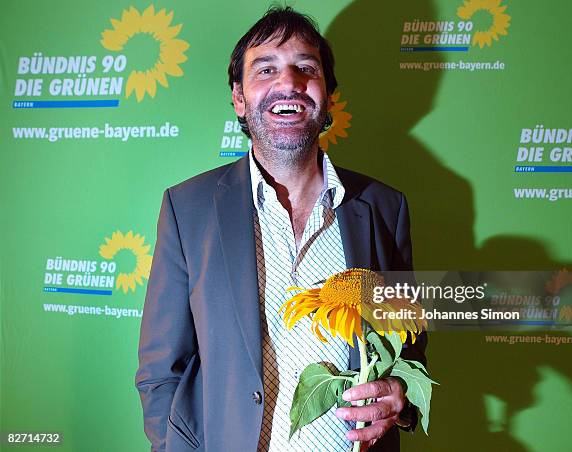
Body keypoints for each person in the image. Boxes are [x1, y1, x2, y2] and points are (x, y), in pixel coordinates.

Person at [136, 7, 426, 452]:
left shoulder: (385, 208)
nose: (288, 83)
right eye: (265, 68)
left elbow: (410, 351)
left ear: (328, 96)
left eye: (305, 68)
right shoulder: (187, 209)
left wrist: (402, 402)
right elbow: (161, 370)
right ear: (238, 97)